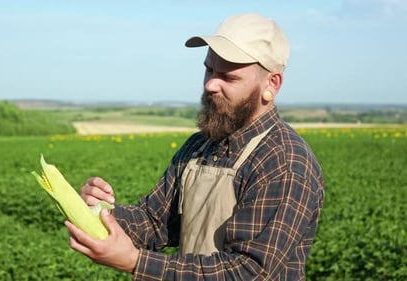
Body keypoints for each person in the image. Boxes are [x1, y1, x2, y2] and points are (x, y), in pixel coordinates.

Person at [65, 13, 325, 280]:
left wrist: (135, 262)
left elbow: (250, 271)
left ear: (271, 84)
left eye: (228, 77)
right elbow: (154, 221)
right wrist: (98, 212)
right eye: (209, 69)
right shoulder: (200, 146)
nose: (211, 84)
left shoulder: (285, 162)